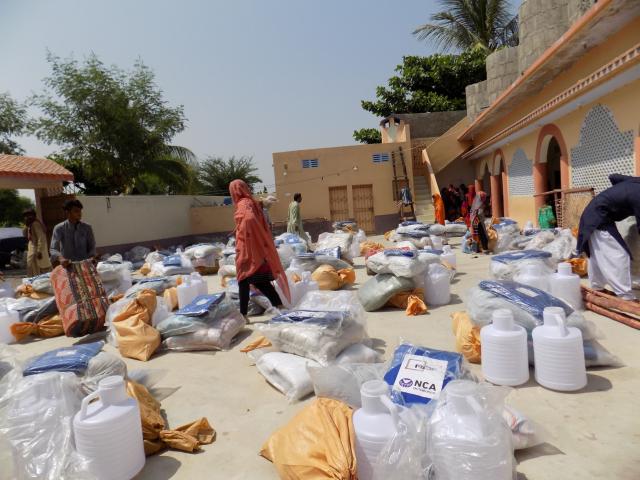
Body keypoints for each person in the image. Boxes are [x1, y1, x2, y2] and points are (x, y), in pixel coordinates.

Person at [230, 179, 290, 317]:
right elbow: (256, 212)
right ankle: (280, 307)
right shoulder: (250, 202)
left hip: (248, 251)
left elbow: (249, 220)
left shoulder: (242, 204)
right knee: (261, 281)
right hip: (257, 251)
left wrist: (247, 238)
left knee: (243, 281)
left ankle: (243, 316)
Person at [577, 174, 640, 300]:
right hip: (599, 217)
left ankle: (597, 287)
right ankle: (626, 295)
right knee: (619, 254)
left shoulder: (635, 183)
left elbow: (614, 176)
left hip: (593, 213)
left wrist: (618, 194)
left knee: (597, 253)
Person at [50, 199, 96, 267]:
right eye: (76, 211)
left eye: (80, 211)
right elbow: (53, 249)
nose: (79, 213)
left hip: (85, 266)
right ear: (67, 212)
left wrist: (92, 257)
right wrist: (61, 258)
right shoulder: (59, 228)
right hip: (68, 266)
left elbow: (92, 246)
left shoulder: (87, 227)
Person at [23, 209, 52, 276]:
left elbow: (41, 238)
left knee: (39, 271)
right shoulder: (30, 225)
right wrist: (26, 226)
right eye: (26, 216)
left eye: (29, 216)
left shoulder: (35, 224)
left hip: (36, 252)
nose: (27, 217)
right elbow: (25, 234)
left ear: (33, 216)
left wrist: (39, 251)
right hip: (32, 251)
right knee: (32, 269)